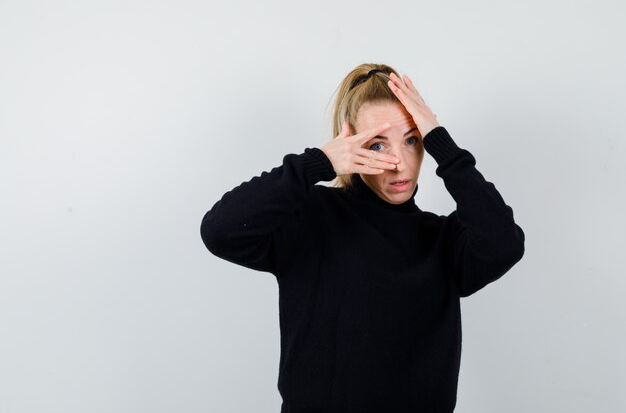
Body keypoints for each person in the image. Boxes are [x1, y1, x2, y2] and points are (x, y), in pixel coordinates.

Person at [200, 63, 525, 413]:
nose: (399, 163)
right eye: (378, 145)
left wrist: (442, 144)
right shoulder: (312, 218)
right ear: (350, 145)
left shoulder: (443, 240)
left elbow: (505, 242)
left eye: (412, 139)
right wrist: (318, 163)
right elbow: (221, 230)